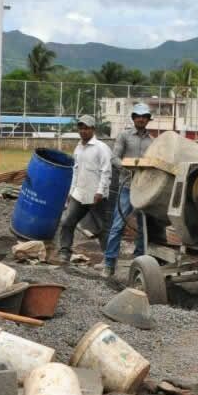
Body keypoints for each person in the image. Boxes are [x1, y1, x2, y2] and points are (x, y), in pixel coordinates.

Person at [102, 103, 154, 277]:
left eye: (144, 116)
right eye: (138, 116)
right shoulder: (124, 136)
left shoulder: (152, 141)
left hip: (144, 190)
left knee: (143, 226)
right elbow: (114, 157)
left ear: (148, 119)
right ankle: (109, 263)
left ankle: (139, 259)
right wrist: (127, 166)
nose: (141, 119)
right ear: (133, 118)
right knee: (118, 225)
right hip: (126, 187)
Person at [55, 115, 113, 265]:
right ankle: (64, 253)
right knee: (67, 221)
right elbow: (76, 171)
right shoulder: (78, 148)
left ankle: (108, 259)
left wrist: (100, 191)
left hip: (96, 196)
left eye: (86, 128)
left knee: (101, 228)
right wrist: (71, 192)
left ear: (93, 129)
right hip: (79, 194)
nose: (83, 131)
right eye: (81, 128)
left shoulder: (101, 148)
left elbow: (106, 171)